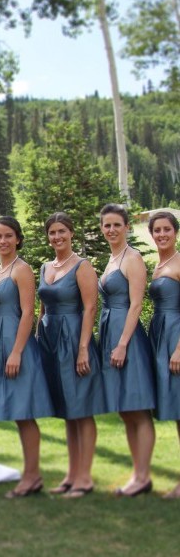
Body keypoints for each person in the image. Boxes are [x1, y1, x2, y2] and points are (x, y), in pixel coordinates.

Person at [37, 212, 107, 498]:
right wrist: (39, 336)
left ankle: (85, 478)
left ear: (71, 233)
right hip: (50, 340)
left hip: (75, 338)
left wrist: (83, 349)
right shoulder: (44, 267)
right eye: (52, 232)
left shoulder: (82, 266)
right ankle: (72, 474)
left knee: (81, 409)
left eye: (62, 231)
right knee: (67, 411)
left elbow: (90, 308)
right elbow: (42, 306)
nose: (57, 237)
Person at [0, 217, 54, 498]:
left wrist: (16, 351)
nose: (3, 241)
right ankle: (31, 475)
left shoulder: (22, 269)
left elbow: (28, 313)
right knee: (17, 413)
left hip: (16, 344)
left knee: (24, 413)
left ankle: (32, 476)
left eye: (8, 236)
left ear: (18, 239)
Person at [99, 204, 156, 497]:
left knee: (138, 409)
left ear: (127, 227)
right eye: (106, 225)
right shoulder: (112, 259)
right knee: (125, 411)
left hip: (127, 337)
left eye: (116, 225)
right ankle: (138, 473)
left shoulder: (132, 258)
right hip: (110, 333)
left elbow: (136, 305)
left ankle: (143, 477)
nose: (111, 230)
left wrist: (122, 344)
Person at [148, 211, 180, 499]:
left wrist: (179, 349)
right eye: (156, 230)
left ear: (176, 232)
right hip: (160, 334)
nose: (161, 234)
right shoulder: (159, 265)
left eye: (166, 229)